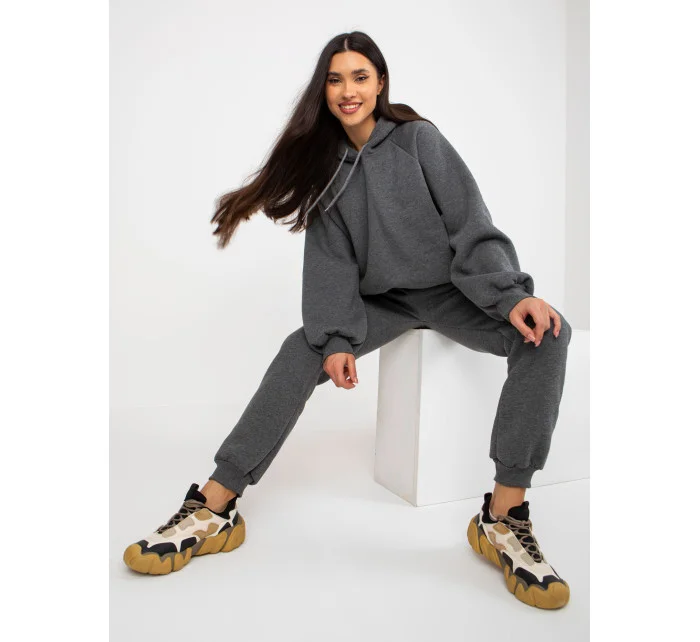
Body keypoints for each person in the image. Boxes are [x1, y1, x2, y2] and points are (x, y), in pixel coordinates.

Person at [122, 31, 572, 610]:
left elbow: (469, 220)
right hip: (383, 302)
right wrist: (335, 336)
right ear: (324, 89)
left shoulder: (418, 140)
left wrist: (509, 296)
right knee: (301, 348)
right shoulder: (325, 168)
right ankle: (214, 506)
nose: (347, 90)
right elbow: (330, 260)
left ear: (380, 82)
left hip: (453, 291)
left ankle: (503, 518)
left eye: (360, 76)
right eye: (335, 79)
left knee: (547, 334)